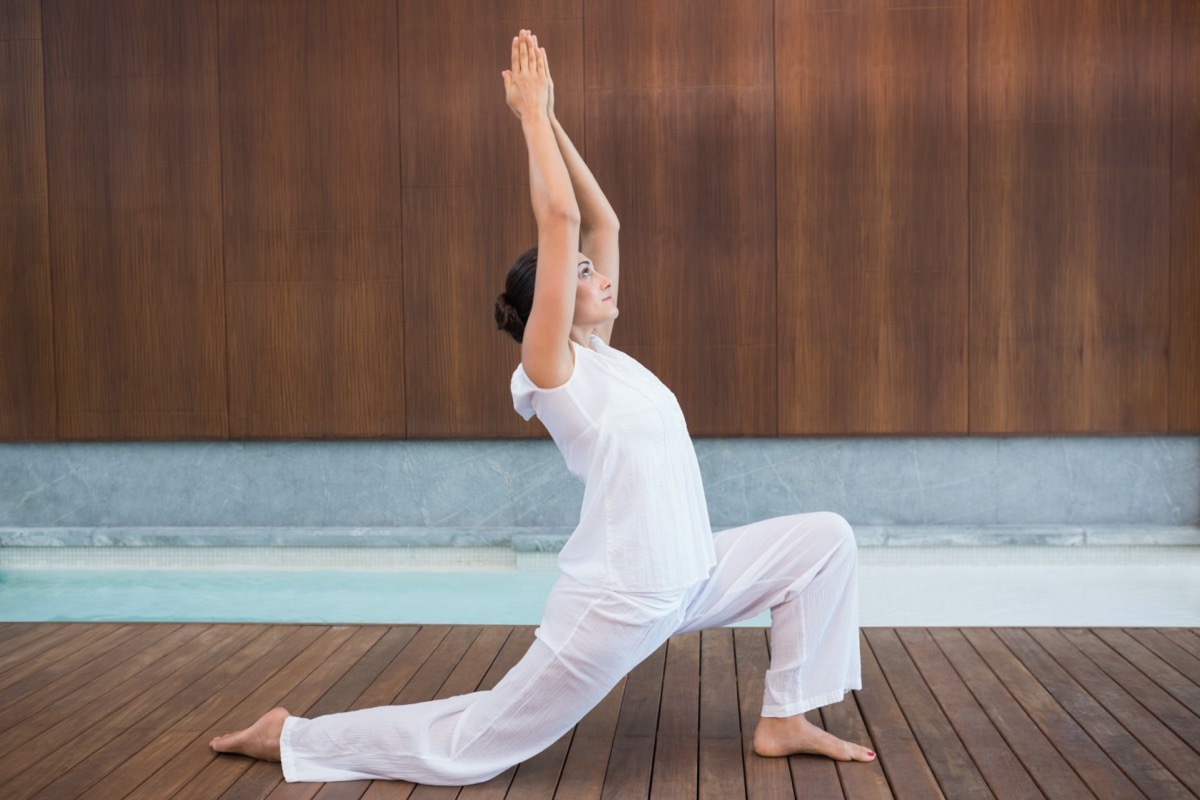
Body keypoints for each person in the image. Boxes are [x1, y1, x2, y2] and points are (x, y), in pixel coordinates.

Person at [209, 29, 876, 784]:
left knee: (825, 540)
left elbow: (603, 223)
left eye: (591, 272)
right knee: (473, 750)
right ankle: (294, 736)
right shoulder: (551, 366)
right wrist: (525, 115)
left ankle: (786, 715)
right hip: (622, 599)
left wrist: (553, 116)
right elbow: (560, 225)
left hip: (693, 573)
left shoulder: (605, 355)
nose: (599, 276)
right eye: (581, 276)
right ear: (548, 309)